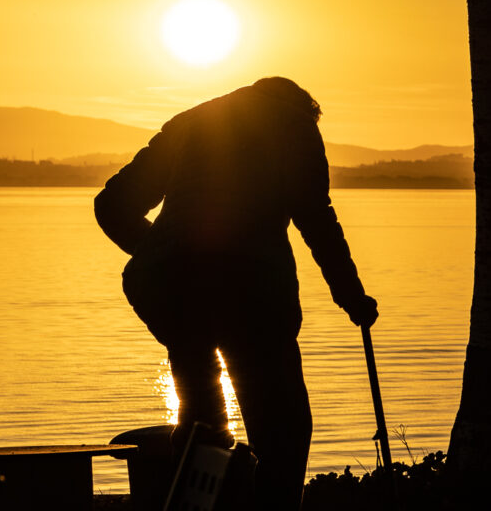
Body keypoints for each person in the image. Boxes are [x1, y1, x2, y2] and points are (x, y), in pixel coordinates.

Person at [94, 77, 378, 510]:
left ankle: (200, 502)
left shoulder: (190, 122)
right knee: (283, 430)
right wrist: (352, 296)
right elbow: (316, 220)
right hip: (250, 297)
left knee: (204, 425)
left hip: (168, 288)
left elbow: (111, 204)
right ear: (304, 110)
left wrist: (165, 252)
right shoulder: (295, 125)